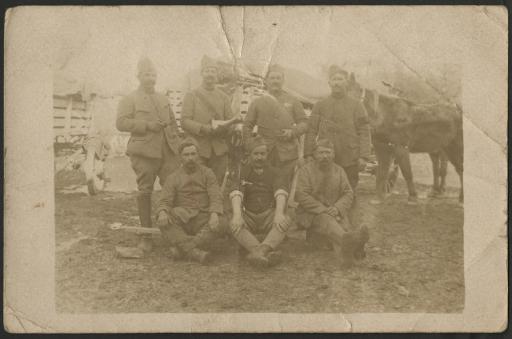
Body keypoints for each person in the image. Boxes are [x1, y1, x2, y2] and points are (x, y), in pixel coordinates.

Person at [116, 57, 181, 253]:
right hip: (144, 152)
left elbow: (172, 123)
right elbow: (121, 123)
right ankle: (145, 235)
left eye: (153, 74)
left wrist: (178, 146)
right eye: (146, 74)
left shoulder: (163, 98)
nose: (150, 77)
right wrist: (146, 126)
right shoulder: (130, 99)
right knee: (145, 191)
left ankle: (173, 234)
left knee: (171, 191)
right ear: (139, 76)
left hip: (167, 152)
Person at [295, 139, 369, 269]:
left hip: (336, 212)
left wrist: (337, 208)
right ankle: (356, 245)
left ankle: (347, 257)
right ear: (314, 154)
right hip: (313, 214)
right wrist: (323, 209)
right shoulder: (305, 171)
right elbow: (302, 195)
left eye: (328, 153)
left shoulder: (339, 170)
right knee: (329, 223)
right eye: (321, 153)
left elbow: (348, 193)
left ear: (333, 154)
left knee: (344, 228)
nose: (325, 156)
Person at [155, 138, 227, 264]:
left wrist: (214, 213)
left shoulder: (208, 173)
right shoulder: (173, 177)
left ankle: (182, 248)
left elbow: (215, 195)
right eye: (186, 155)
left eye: (193, 154)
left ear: (198, 155)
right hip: (183, 218)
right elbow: (165, 200)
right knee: (163, 219)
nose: (190, 158)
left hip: (204, 218)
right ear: (180, 157)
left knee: (223, 221)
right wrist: (162, 212)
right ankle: (195, 253)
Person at [304, 65, 371, 191]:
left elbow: (364, 132)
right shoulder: (320, 105)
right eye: (334, 79)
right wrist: (308, 153)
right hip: (325, 157)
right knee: (323, 191)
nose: (337, 83)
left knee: (348, 192)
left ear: (347, 82)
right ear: (329, 83)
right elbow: (311, 130)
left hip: (350, 157)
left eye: (340, 79)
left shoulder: (357, 106)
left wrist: (364, 156)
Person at [228, 136, 291, 268]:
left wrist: (279, 214)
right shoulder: (242, 172)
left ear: (267, 154)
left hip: (268, 215)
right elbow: (236, 194)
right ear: (249, 155)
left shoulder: (275, 172)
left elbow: (280, 193)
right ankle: (264, 253)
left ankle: (258, 252)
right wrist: (237, 216)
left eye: (262, 154)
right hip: (249, 216)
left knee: (286, 219)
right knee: (233, 222)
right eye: (256, 154)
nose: (259, 157)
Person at [243, 64, 308, 183]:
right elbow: (247, 125)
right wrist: (250, 147)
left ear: (283, 80)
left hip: (287, 152)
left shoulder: (293, 100)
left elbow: (304, 123)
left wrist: (292, 132)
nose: (275, 81)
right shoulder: (258, 102)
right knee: (264, 183)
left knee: (284, 184)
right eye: (272, 78)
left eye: (278, 78)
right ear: (266, 81)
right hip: (264, 152)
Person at [181, 55, 239, 184]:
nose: (210, 74)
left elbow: (230, 121)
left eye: (213, 71)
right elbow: (184, 121)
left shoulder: (223, 97)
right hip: (198, 149)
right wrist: (203, 128)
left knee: (216, 184)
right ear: (202, 73)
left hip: (219, 150)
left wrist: (225, 129)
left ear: (217, 74)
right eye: (207, 71)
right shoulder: (192, 95)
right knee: (197, 183)